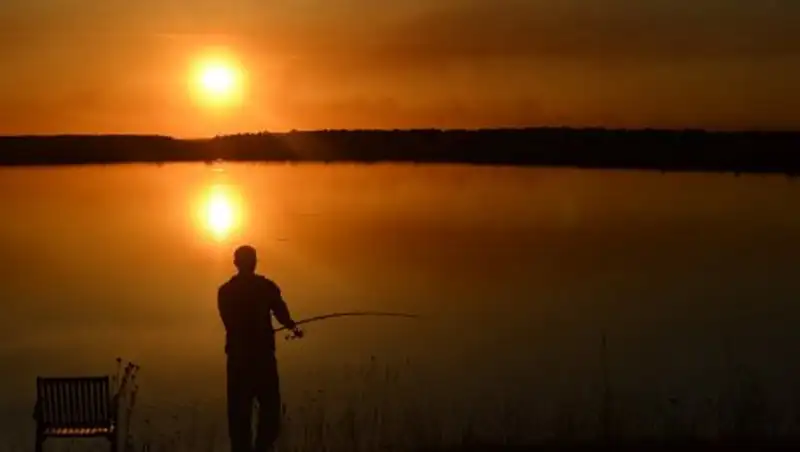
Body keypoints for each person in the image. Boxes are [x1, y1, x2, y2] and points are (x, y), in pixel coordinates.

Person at [218, 245, 303, 452]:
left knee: (238, 417)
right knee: (270, 411)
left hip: (237, 360)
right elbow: (281, 313)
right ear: (254, 262)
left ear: (235, 263)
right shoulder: (266, 287)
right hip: (263, 359)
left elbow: (229, 322)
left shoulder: (225, 291)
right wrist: (292, 326)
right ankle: (263, 447)